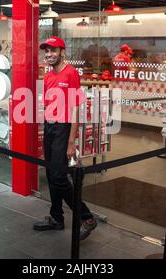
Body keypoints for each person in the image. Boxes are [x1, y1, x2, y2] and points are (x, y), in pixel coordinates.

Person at [33, 36, 97, 241]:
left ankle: (86, 217)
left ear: (62, 52)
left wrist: (71, 143)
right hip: (50, 128)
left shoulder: (71, 74)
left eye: (53, 51)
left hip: (63, 129)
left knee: (59, 177)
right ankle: (56, 217)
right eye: (47, 51)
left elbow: (76, 109)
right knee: (52, 175)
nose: (49, 55)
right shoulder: (49, 75)